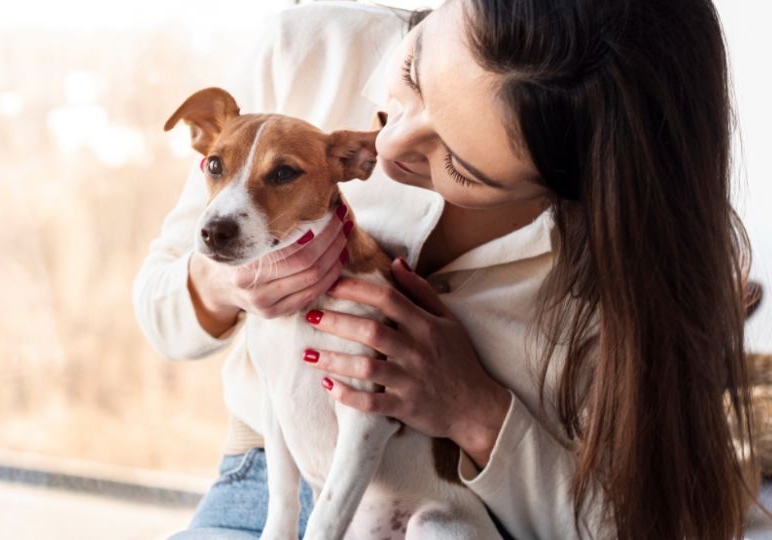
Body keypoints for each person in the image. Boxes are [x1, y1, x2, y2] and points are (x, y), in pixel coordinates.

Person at [133, 0, 760, 538]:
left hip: (471, 516)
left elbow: (634, 524)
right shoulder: (309, 46)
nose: (387, 145)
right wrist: (228, 283)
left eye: (456, 165)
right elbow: (159, 309)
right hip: (266, 483)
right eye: (413, 71)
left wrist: (476, 412)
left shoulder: (624, 270)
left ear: (572, 187)